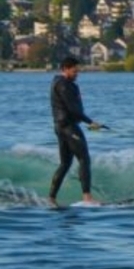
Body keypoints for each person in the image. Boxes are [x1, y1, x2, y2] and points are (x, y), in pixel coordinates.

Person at [48, 57, 103, 207]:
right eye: (74, 70)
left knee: (65, 163)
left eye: (77, 70)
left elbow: (73, 109)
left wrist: (86, 121)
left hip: (61, 127)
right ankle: (87, 198)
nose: (77, 73)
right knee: (84, 159)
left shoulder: (60, 83)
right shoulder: (64, 85)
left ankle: (51, 199)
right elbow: (73, 109)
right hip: (68, 127)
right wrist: (90, 122)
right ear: (65, 69)